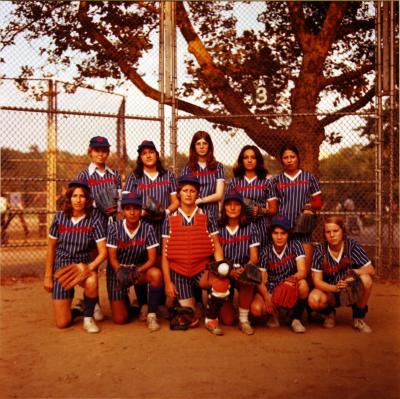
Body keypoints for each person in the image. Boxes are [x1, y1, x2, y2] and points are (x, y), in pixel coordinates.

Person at [161, 175, 230, 336]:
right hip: (179, 272)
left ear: (198, 194)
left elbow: (216, 245)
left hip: (201, 268)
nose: (188, 194)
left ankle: (211, 318)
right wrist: (168, 282)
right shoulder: (170, 219)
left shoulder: (207, 217)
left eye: (193, 191)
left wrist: (220, 266)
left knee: (222, 282)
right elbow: (165, 254)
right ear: (179, 194)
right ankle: (188, 307)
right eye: (185, 190)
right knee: (189, 319)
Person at [124, 140, 179, 320]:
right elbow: (126, 203)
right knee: (142, 260)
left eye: (151, 152)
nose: (148, 155)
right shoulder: (134, 177)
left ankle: (160, 303)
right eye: (144, 153)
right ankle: (143, 303)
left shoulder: (168, 175)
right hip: (143, 224)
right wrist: (141, 212)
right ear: (140, 157)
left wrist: (165, 211)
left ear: (156, 154)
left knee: (161, 260)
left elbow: (175, 201)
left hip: (162, 223)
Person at [43, 180, 107, 333]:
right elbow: (51, 248)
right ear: (69, 198)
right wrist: (47, 276)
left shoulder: (94, 220)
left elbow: (103, 252)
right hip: (63, 267)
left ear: (87, 199)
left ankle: (88, 318)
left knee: (92, 280)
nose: (78, 200)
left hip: (82, 266)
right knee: (62, 323)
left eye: (82, 196)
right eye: (74, 196)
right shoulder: (59, 218)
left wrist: (88, 267)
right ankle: (79, 309)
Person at [75, 136, 122, 321]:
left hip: (111, 226)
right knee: (94, 264)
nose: (100, 154)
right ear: (90, 152)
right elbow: (80, 203)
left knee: (114, 263)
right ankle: (94, 304)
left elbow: (118, 203)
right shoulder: (84, 176)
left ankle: (120, 298)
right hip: (93, 225)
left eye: (104, 150)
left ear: (108, 153)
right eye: (97, 150)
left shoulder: (114, 175)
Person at [106, 192, 163, 332]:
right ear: (123, 211)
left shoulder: (147, 228)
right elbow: (112, 258)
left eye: (136, 208)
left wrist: (136, 271)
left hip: (138, 270)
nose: (132, 212)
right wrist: (120, 272)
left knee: (155, 274)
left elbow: (152, 259)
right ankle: (130, 304)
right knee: (120, 320)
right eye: (128, 208)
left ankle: (151, 314)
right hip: (117, 272)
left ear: (141, 210)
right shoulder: (114, 228)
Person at [308, 216, 374, 333]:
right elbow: (317, 281)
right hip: (330, 292)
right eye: (328, 232)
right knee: (314, 299)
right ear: (324, 234)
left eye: (335, 231)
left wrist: (354, 273)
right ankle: (329, 313)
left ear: (342, 231)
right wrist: (335, 288)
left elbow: (370, 269)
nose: (332, 235)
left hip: (350, 289)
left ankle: (358, 317)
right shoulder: (320, 250)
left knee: (367, 280)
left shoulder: (351, 246)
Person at [251, 215, 309, 333]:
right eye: (275, 233)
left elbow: (303, 271)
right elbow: (260, 280)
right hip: (272, 286)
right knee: (256, 309)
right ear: (271, 234)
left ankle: (295, 318)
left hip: (289, 283)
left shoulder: (295, 245)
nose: (279, 237)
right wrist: (267, 296)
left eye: (283, 233)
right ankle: (274, 314)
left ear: (288, 234)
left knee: (303, 285)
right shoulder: (265, 250)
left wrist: (289, 281)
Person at [271, 143, 322, 274]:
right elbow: (274, 209)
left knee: (304, 272)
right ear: (281, 160)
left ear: (298, 157)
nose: (289, 160)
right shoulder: (276, 180)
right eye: (285, 157)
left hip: (303, 229)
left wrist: (308, 207)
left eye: (292, 156)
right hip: (283, 230)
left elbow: (318, 202)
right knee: (285, 271)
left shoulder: (309, 177)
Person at [217, 190, 261, 335]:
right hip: (224, 272)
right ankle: (226, 303)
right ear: (224, 208)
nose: (232, 208)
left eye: (236, 204)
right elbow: (216, 257)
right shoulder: (218, 229)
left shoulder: (250, 227)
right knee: (228, 321)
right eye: (229, 205)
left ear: (242, 207)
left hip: (242, 270)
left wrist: (243, 269)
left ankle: (243, 319)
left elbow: (254, 257)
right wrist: (229, 271)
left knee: (248, 276)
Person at [227, 145, 278, 247]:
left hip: (261, 226)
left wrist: (261, 210)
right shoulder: (234, 182)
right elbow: (227, 206)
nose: (249, 160)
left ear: (258, 160)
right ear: (241, 160)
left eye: (253, 157)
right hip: (241, 226)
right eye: (246, 157)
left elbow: (274, 209)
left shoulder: (267, 182)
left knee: (260, 258)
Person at [180, 131, 225, 222]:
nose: (201, 147)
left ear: (209, 146)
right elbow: (183, 194)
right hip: (192, 212)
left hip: (212, 212)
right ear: (194, 147)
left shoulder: (218, 166)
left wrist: (200, 200)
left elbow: (219, 194)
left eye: (204, 143)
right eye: (198, 144)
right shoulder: (187, 168)